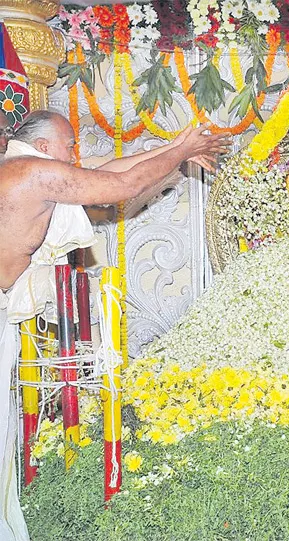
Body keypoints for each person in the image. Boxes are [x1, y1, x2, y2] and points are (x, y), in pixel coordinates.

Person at [0, 110, 229, 541]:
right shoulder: (34, 172)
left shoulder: (24, 168)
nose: (75, 153)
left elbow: (103, 173)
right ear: (45, 146)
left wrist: (178, 148)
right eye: (70, 145)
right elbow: (121, 187)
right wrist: (182, 150)